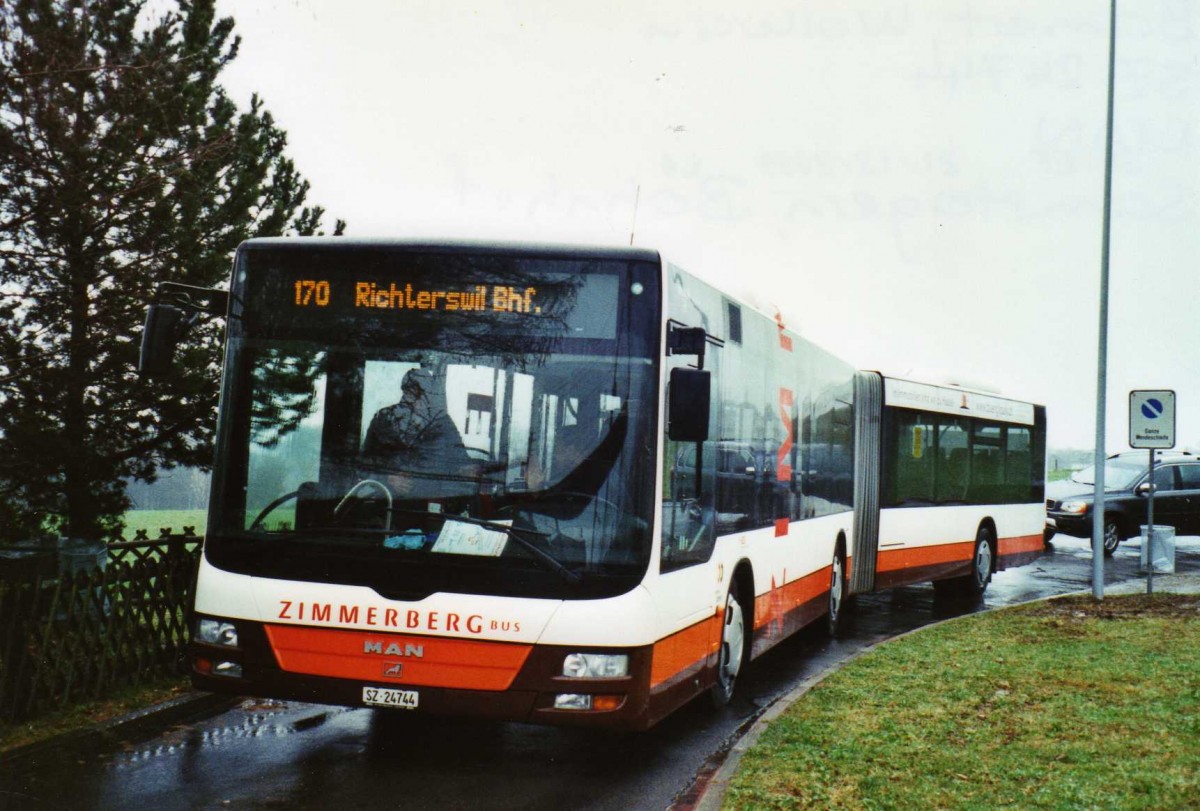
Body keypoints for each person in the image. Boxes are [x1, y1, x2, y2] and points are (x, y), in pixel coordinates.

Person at [360, 367, 476, 498]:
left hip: (431, 501)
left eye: (425, 395)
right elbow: (365, 462)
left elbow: (461, 458)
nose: (418, 401)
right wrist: (387, 478)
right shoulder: (384, 418)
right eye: (411, 394)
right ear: (404, 392)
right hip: (389, 501)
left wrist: (469, 469)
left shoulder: (442, 422)